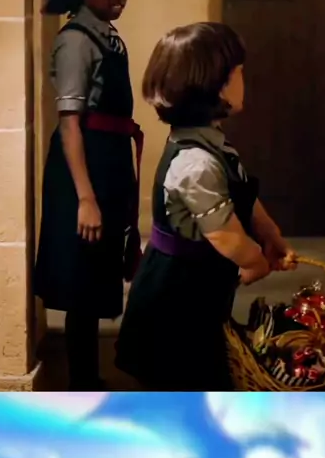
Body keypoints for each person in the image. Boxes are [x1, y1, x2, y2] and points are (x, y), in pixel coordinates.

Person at [115, 22, 297, 390]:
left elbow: (241, 193)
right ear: (216, 86)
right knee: (182, 382)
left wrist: (269, 233)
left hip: (200, 290)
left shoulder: (213, 143)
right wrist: (255, 262)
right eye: (238, 72)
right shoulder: (195, 163)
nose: (244, 78)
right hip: (175, 301)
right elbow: (226, 237)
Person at [34, 0, 143, 390]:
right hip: (84, 168)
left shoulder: (108, 36)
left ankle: (89, 376)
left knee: (97, 273)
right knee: (81, 278)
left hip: (109, 161)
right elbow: (69, 124)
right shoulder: (76, 40)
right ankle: (81, 382)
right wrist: (85, 198)